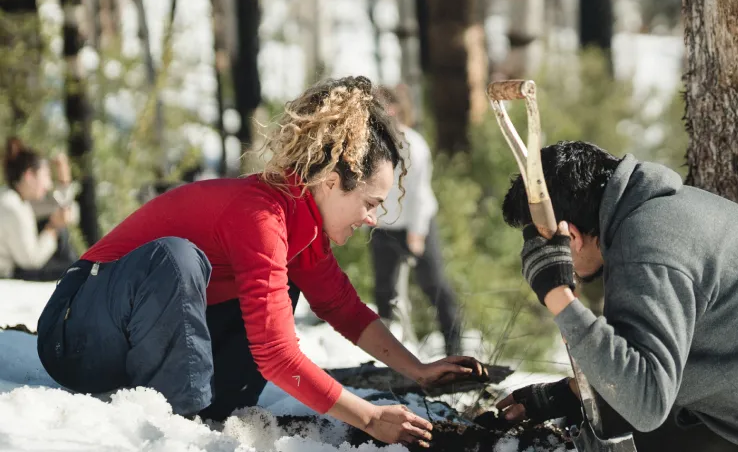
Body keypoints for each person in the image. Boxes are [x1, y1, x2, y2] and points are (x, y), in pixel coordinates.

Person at [36, 76, 486, 447]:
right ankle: (185, 428)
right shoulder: (261, 214)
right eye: (370, 203)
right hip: (75, 332)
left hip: (130, 341)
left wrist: (419, 370)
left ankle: (207, 412)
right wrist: (369, 418)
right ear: (331, 183)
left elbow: (344, 309)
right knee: (178, 259)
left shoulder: (302, 222)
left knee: (279, 286)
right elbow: (275, 354)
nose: (372, 219)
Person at [495, 141, 738, 452]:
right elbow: (661, 349)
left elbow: (645, 403)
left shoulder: (646, 249)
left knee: (640, 434)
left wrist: (557, 294)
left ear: (571, 237)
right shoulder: (663, 212)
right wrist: (571, 392)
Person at [370, 86, 463, 356]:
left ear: (392, 110)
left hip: (416, 224)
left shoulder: (414, 146)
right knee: (383, 289)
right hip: (383, 226)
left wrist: (417, 234)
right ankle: (386, 351)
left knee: (434, 284)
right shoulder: (371, 144)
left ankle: (454, 349)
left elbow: (420, 194)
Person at [0, 138, 76, 280]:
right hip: (9, 272)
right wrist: (53, 228)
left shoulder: (19, 199)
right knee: (73, 270)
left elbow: (62, 207)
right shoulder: (12, 207)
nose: (48, 185)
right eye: (46, 176)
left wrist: (64, 180)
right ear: (29, 176)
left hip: (18, 267)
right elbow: (31, 260)